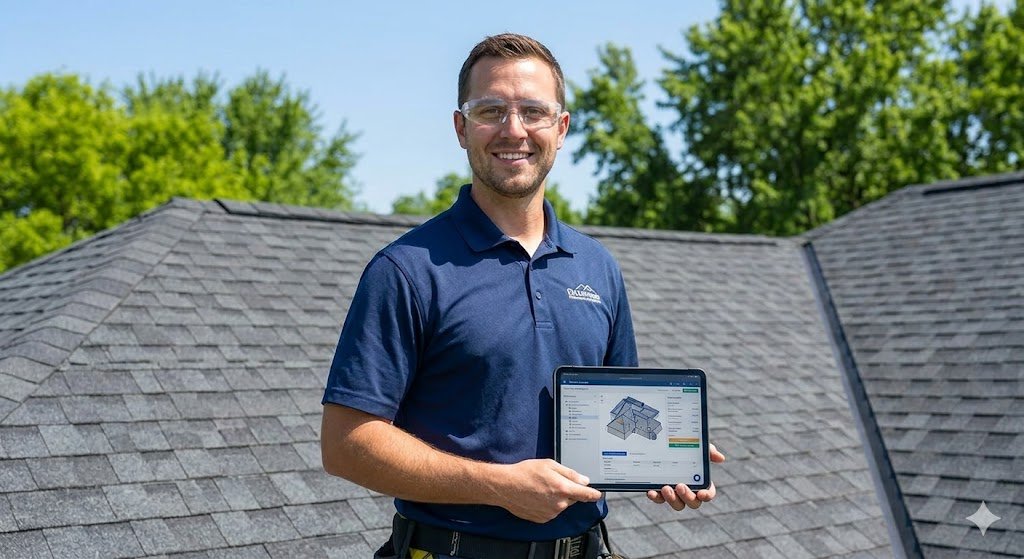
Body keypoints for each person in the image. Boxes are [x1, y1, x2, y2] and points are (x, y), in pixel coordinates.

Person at [321, 33, 725, 559]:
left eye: (533, 111)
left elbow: (615, 425)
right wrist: (498, 485)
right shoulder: (406, 270)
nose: (514, 130)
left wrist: (667, 461)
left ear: (561, 128)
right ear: (461, 129)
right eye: (491, 110)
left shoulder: (598, 268)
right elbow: (346, 444)